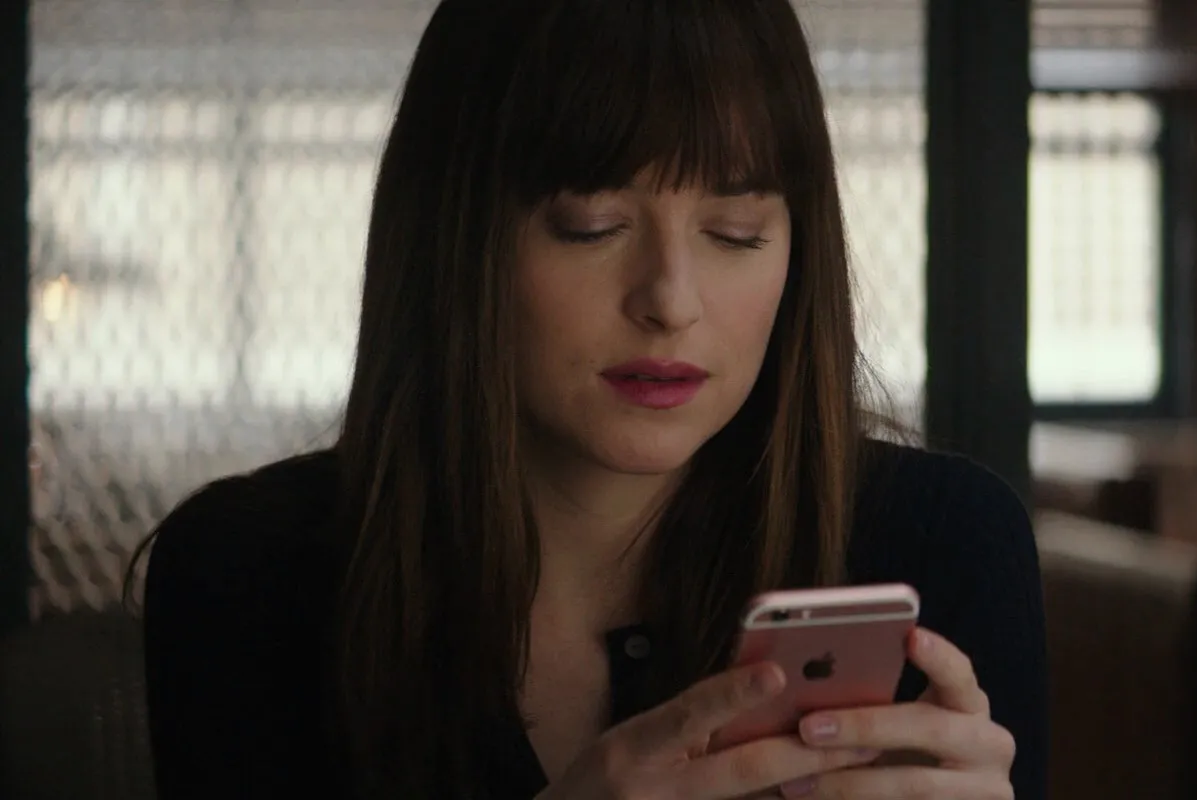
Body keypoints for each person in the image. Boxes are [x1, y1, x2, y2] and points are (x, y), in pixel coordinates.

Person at [133, 1, 1047, 797]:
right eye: (591, 226)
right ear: (455, 238)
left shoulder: (939, 544)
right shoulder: (250, 575)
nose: (670, 301)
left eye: (735, 232)